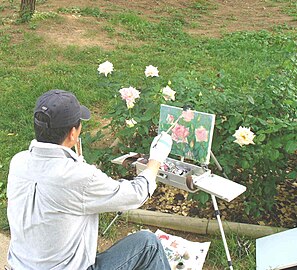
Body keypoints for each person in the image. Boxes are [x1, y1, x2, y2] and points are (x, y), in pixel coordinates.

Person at [6, 89, 173, 270]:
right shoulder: (78, 176)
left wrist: (77, 162)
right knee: (148, 244)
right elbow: (135, 194)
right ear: (72, 133)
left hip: (20, 266)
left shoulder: (19, 161)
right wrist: (156, 158)